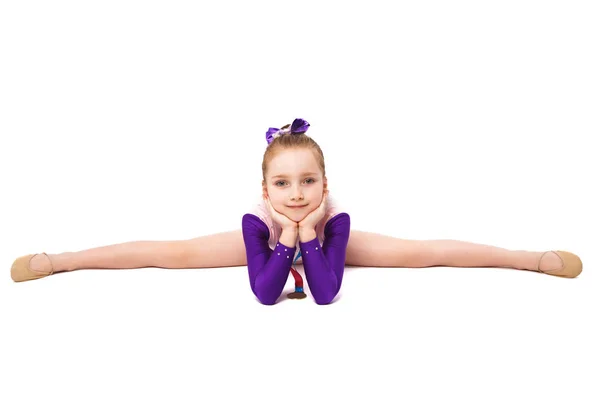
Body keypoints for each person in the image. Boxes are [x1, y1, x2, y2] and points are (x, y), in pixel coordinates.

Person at [10, 118, 583, 305]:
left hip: (324, 242)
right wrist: (283, 233)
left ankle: (529, 259)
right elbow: (264, 293)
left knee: (420, 253)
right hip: (269, 242)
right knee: (173, 253)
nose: (297, 191)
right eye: (283, 183)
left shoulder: (334, 218)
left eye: (308, 181)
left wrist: (310, 231)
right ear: (264, 189)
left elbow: (327, 292)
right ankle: (60, 260)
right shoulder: (257, 220)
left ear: (326, 184)